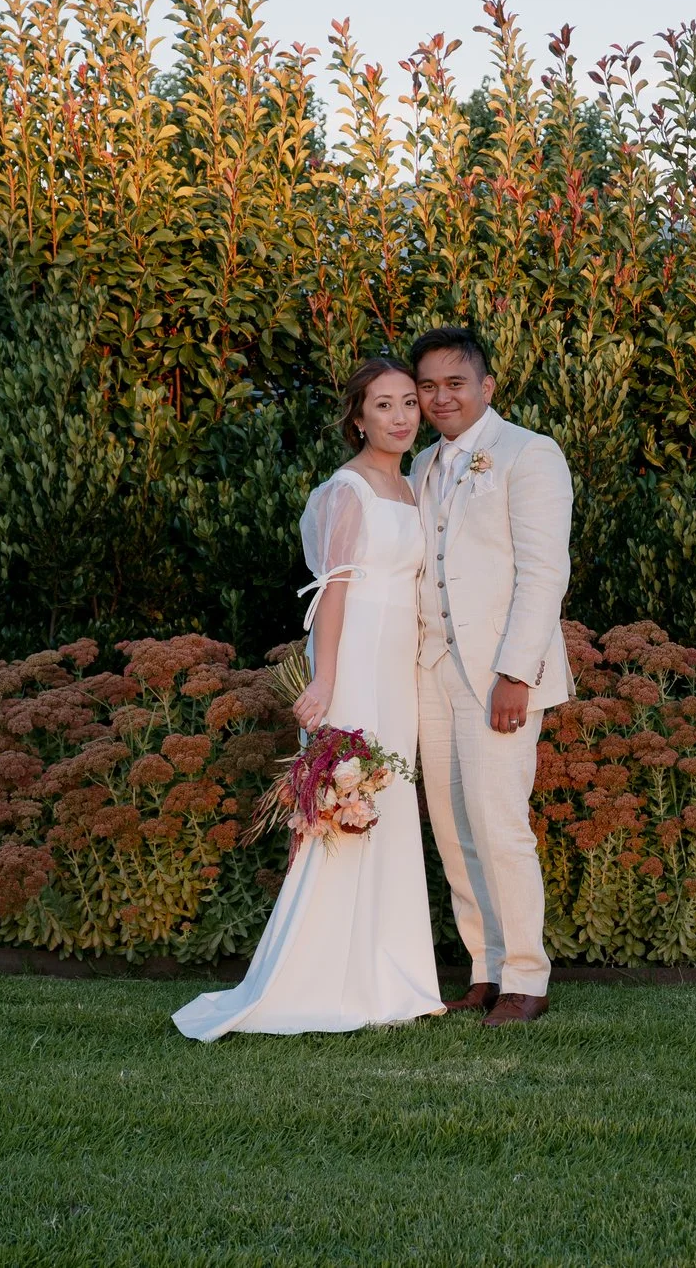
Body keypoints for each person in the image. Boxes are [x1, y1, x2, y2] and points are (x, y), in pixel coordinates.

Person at [171, 358, 445, 1040]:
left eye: (409, 402)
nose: (401, 416)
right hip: (353, 663)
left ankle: (392, 972)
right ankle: (318, 975)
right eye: (384, 405)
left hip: (398, 669)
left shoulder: (414, 488)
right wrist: (324, 679)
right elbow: (336, 589)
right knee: (344, 796)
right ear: (358, 417)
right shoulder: (345, 490)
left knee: (390, 804)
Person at [407, 326, 573, 1027]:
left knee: (501, 826)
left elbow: (544, 572)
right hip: (432, 668)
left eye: (455, 382)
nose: (440, 396)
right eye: (428, 385)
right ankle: (485, 965)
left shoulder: (529, 454)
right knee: (453, 831)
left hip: (499, 673)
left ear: (486, 387)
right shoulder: (419, 465)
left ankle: (527, 979)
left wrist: (517, 674)